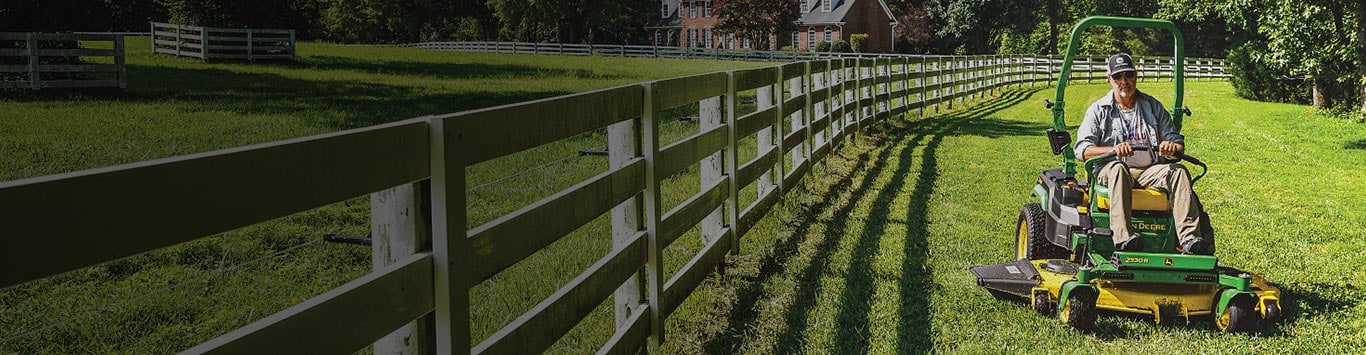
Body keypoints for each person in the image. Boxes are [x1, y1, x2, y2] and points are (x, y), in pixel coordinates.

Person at [1074, 53, 1208, 254]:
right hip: (1111, 170)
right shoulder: (1098, 110)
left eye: (1128, 75)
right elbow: (1082, 150)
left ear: (1136, 76)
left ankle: (1190, 240)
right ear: (1109, 79)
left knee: (1178, 171)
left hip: (1149, 170)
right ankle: (1124, 238)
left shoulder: (1152, 106)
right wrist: (1113, 150)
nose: (1124, 81)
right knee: (1119, 168)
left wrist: (1171, 149)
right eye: (1118, 77)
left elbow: (1177, 144)